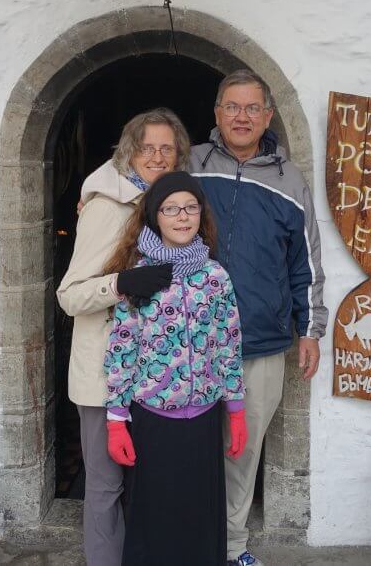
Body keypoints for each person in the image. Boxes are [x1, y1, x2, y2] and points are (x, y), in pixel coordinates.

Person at [190, 70, 327, 566]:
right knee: (187, 447)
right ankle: (185, 543)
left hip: (262, 341)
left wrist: (310, 330)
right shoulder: (191, 164)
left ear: (268, 116)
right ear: (217, 114)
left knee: (241, 453)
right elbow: (139, 196)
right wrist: (94, 192)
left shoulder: (289, 180)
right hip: (191, 341)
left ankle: (230, 549)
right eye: (232, 107)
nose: (241, 117)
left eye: (252, 108)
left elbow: (306, 262)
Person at [56, 108, 191, 566]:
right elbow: (69, 296)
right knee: (105, 485)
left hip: (157, 377)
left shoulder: (172, 205)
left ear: (178, 156)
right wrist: (120, 285)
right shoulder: (105, 206)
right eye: (146, 147)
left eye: (166, 148)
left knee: (150, 485)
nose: (156, 156)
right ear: (128, 152)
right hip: (103, 378)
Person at [102, 171, 248, 566]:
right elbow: (122, 348)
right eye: (170, 209)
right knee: (157, 521)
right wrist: (116, 419)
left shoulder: (216, 277)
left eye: (190, 208)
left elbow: (228, 345)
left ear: (201, 214)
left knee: (198, 521)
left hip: (202, 418)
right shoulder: (141, 277)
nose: (182, 217)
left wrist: (236, 411)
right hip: (153, 420)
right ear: (155, 217)